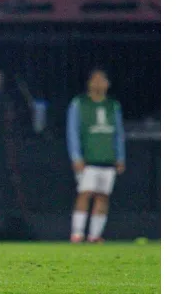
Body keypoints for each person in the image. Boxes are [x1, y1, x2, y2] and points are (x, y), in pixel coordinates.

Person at [67, 68, 126, 243]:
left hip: (107, 158)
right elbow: (72, 130)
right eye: (95, 79)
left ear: (108, 84)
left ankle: (94, 235)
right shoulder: (79, 103)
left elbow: (119, 133)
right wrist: (76, 156)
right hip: (88, 159)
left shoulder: (113, 105)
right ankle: (77, 233)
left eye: (102, 80)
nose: (99, 83)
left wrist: (120, 157)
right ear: (89, 83)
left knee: (103, 196)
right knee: (85, 193)